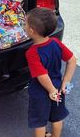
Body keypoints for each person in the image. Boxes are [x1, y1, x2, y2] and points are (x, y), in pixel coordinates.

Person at [24, 8, 76, 137]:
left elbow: (42, 76)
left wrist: (51, 91)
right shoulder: (55, 42)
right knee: (57, 116)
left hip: (41, 92)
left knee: (39, 121)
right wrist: (65, 82)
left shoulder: (32, 53)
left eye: (25, 23)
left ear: (31, 31)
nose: (23, 26)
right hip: (58, 87)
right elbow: (72, 60)